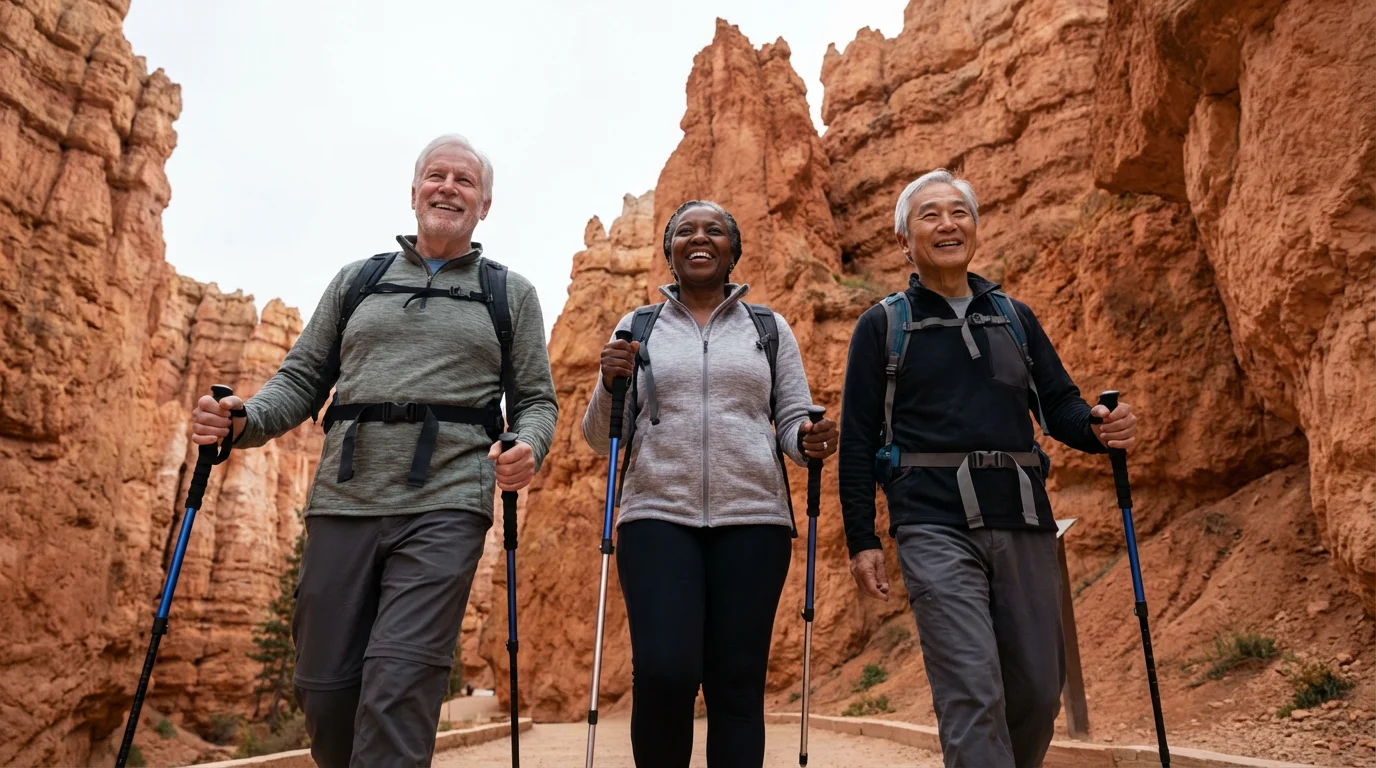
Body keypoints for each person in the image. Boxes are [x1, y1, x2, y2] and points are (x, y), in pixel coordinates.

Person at [190, 134, 558, 767]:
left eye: (464, 181)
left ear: (486, 204)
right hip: (343, 499)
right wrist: (243, 421)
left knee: (398, 685)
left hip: (447, 504)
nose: (448, 187)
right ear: (414, 193)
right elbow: (302, 379)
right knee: (325, 688)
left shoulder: (509, 293)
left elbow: (536, 400)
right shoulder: (359, 281)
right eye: (435, 176)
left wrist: (528, 445)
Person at [837, 170, 1138, 768]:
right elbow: (857, 438)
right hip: (932, 524)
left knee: (1035, 690)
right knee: (972, 691)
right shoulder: (883, 325)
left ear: (974, 228)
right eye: (929, 215)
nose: (947, 224)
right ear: (903, 240)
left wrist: (1099, 428)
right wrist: (863, 538)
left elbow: (1059, 406)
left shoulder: (1014, 317)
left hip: (1024, 517)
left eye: (959, 213)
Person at [583, 200, 839, 767]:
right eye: (685, 231)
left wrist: (811, 439)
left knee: (738, 682)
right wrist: (607, 382)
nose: (700, 239)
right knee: (664, 670)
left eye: (714, 230)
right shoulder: (637, 326)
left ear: (732, 250)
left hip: (754, 520)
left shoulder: (768, 328)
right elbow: (602, 438)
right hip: (656, 516)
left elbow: (793, 421)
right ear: (670, 250)